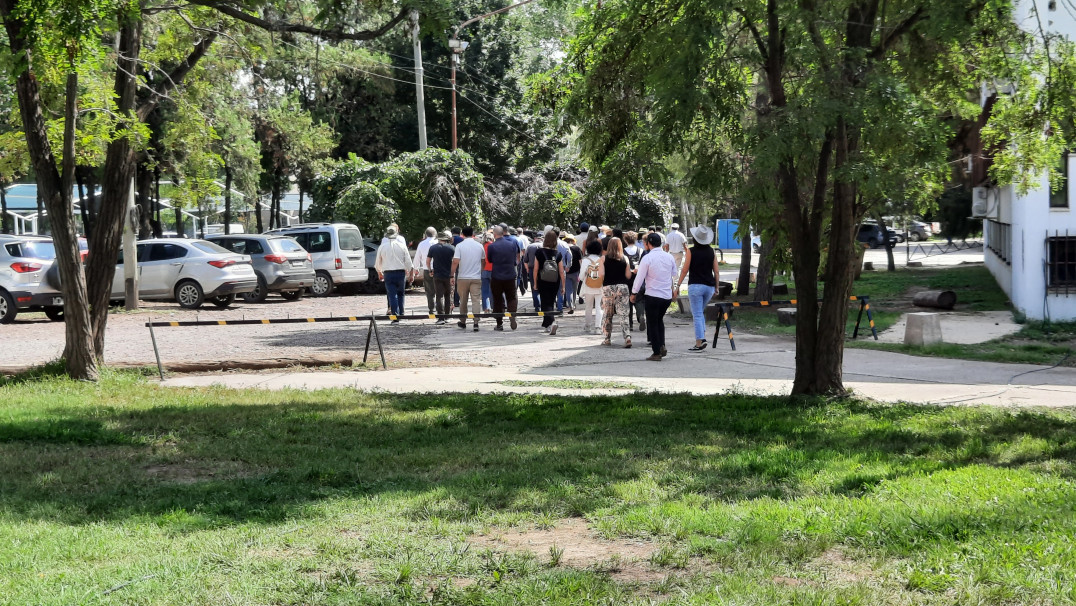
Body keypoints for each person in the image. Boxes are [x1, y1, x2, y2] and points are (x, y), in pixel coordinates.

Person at [631, 232, 677, 361]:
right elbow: (674, 274)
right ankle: (661, 345)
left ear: (648, 244)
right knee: (659, 320)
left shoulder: (647, 258)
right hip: (666, 295)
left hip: (652, 294)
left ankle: (656, 352)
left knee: (652, 323)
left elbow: (639, 278)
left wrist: (634, 293)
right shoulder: (669, 257)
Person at [677, 225, 720, 351]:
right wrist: (716, 287)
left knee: (696, 314)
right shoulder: (712, 251)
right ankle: (702, 333)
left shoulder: (691, 251)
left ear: (695, 239)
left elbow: (685, 269)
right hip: (709, 287)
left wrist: (678, 285)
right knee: (699, 312)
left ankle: (700, 341)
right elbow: (716, 271)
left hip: (695, 286)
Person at [374, 225, 413, 324]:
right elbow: (408, 262)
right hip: (400, 272)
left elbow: (378, 262)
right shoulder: (402, 245)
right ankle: (402, 313)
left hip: (388, 273)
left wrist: (379, 272)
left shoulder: (382, 247)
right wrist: (411, 273)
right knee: (401, 294)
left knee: (392, 295)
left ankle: (395, 315)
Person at [599, 237, 633, 348]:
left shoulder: (603, 259)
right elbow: (628, 275)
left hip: (608, 287)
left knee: (608, 314)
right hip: (622, 287)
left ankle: (607, 338)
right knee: (623, 314)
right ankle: (627, 337)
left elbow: (601, 274)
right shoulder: (625, 258)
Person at [451, 226, 485, 331]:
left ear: (462, 234)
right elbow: (483, 261)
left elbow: (455, 261)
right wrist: (480, 271)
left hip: (463, 277)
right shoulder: (479, 246)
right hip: (476, 277)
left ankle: (463, 321)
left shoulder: (460, 246)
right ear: (473, 233)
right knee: (476, 300)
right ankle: (476, 322)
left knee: (463, 300)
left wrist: (451, 274)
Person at [531, 230, 565, 335]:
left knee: (545, 302)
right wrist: (563, 285)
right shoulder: (557, 253)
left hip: (543, 280)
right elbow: (561, 271)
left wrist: (535, 283)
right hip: (555, 281)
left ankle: (551, 323)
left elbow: (535, 269)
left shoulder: (539, 252)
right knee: (550, 301)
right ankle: (546, 324)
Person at [487, 226, 520, 331]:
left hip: (497, 276)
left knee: (497, 299)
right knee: (512, 297)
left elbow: (490, 259)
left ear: (495, 234)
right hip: (510, 275)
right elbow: (515, 259)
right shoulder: (512, 244)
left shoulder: (492, 246)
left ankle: (499, 324)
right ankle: (512, 315)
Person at [426, 230, 456, 323]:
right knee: (448, 295)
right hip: (448, 275)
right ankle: (448, 316)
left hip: (437, 275)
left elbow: (428, 261)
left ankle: (440, 317)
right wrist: (453, 275)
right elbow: (455, 261)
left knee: (439, 296)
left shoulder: (433, 248)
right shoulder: (452, 248)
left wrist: (430, 270)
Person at [577, 239, 605, 334]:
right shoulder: (602, 260)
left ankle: (588, 326)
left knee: (588, 307)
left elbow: (581, 277)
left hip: (588, 286)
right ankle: (598, 327)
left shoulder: (585, 260)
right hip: (599, 286)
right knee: (599, 307)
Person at [413, 226, 438, 314]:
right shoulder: (437, 242)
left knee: (429, 290)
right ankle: (439, 307)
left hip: (427, 269)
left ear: (426, 234)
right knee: (438, 289)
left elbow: (417, 257)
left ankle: (431, 308)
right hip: (438, 269)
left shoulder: (422, 244)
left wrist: (415, 269)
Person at [623, 231, 645, 331]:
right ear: (635, 239)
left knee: (627, 301)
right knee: (639, 299)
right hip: (639, 277)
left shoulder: (623, 251)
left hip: (627, 278)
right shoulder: (640, 251)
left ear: (625, 240)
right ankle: (641, 316)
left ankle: (630, 324)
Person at [563, 235, 581, 315]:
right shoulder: (576, 248)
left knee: (568, 290)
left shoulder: (564, 248)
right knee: (574, 290)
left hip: (566, 272)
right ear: (572, 241)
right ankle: (573, 304)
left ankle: (570, 306)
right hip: (576, 272)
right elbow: (580, 261)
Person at [481, 231, 495, 313]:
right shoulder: (494, 246)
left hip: (484, 270)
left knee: (484, 290)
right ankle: (493, 307)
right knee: (492, 290)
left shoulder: (481, 247)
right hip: (493, 270)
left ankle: (486, 308)